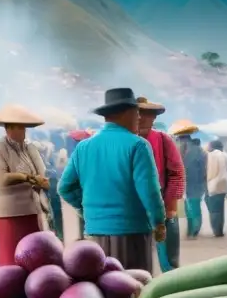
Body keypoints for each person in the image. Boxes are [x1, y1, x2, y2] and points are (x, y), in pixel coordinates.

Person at [58, 88, 165, 272]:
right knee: (134, 289)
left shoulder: (84, 147)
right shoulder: (138, 145)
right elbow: (150, 191)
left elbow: (65, 187)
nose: (139, 118)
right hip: (132, 233)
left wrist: (86, 209)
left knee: (103, 291)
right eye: (137, 112)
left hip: (94, 235)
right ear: (126, 113)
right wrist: (159, 222)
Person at [0, 104, 53, 266]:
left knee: (33, 255)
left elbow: (42, 175)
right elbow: (1, 179)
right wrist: (25, 177)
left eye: (24, 128)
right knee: (11, 257)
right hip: (10, 212)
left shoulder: (30, 148)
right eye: (20, 128)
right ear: (9, 129)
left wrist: (40, 180)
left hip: (32, 208)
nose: (24, 131)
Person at [135, 97, 186, 272]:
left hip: (162, 202)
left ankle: (171, 282)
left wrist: (171, 205)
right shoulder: (125, 142)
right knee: (135, 260)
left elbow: (177, 172)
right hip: (132, 206)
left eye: (147, 114)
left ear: (154, 118)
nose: (142, 118)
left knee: (168, 258)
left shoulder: (164, 140)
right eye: (138, 114)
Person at [180, 136, 207, 239]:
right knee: (193, 207)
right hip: (195, 184)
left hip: (191, 184)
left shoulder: (193, 152)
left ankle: (193, 229)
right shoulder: (200, 152)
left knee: (191, 207)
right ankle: (192, 229)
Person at [205, 139, 227, 237]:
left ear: (212, 147)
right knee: (220, 209)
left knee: (214, 209)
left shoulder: (208, 156)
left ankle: (216, 230)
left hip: (212, 185)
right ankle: (220, 230)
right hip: (223, 184)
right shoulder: (225, 155)